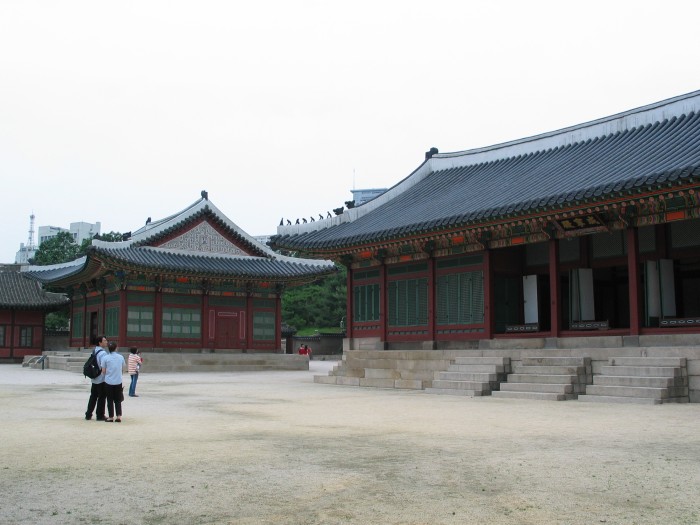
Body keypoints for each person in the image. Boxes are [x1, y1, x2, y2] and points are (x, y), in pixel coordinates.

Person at [85, 336, 109, 421]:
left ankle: (88, 414)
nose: (106, 342)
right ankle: (100, 415)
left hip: (94, 378)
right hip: (101, 378)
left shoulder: (95, 350)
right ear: (100, 342)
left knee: (93, 396)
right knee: (102, 397)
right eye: (104, 340)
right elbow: (104, 366)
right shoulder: (103, 353)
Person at [102, 341, 126, 423]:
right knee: (118, 399)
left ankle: (111, 416)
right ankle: (118, 416)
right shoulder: (120, 357)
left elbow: (103, 371)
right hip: (118, 381)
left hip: (108, 381)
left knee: (109, 399)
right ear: (116, 348)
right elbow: (123, 368)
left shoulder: (105, 358)